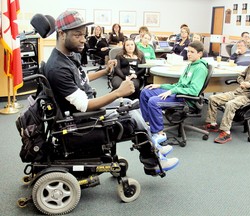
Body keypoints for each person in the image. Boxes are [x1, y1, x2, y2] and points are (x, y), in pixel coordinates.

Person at [44, 11, 179, 175]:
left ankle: (153, 144)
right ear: (61, 34)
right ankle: (153, 162)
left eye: (84, 35)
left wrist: (104, 70)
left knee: (130, 104)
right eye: (77, 35)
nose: (83, 39)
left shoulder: (67, 55)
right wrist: (118, 93)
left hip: (84, 107)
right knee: (129, 117)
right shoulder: (58, 67)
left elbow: (81, 78)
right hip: (80, 119)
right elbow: (84, 105)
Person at [140, 41, 208, 143]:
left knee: (154, 102)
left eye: (192, 52)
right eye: (188, 51)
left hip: (185, 99)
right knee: (145, 92)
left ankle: (159, 133)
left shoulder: (200, 68)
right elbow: (178, 85)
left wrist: (172, 91)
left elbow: (193, 91)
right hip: (178, 93)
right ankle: (148, 124)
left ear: (200, 54)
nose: (188, 54)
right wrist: (160, 85)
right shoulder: (190, 65)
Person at [204, 46, 250, 144]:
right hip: (238, 92)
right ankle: (212, 123)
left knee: (230, 104)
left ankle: (226, 132)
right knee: (213, 98)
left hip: (249, 96)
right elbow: (240, 76)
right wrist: (242, 82)